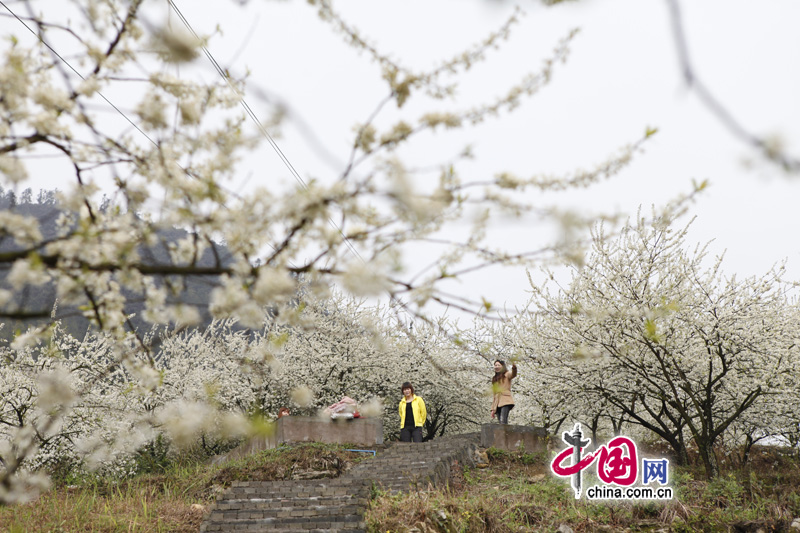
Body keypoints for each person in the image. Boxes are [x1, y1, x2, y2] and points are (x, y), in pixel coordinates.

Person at [490, 360, 517, 424]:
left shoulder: (507, 374)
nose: (497, 367)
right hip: (497, 402)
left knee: (503, 420)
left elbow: (513, 374)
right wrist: (493, 409)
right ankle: (504, 433)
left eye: (498, 365)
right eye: (495, 365)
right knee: (500, 422)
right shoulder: (494, 379)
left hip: (505, 400)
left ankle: (505, 433)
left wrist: (514, 368)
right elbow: (494, 394)